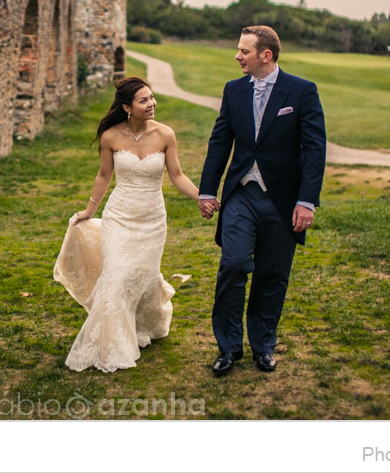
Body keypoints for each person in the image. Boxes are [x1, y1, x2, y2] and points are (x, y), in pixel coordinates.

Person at [198, 25, 326, 375]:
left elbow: (315, 150)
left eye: (244, 51)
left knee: (273, 275)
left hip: (283, 200)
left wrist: (307, 201)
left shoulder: (301, 92)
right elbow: (220, 141)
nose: (237, 56)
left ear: (265, 55)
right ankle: (228, 347)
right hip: (241, 193)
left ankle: (263, 345)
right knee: (234, 263)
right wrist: (208, 189)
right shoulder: (234, 90)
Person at [53, 77, 201, 372]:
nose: (152, 104)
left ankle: (141, 325)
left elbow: (177, 176)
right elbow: (104, 176)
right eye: (144, 100)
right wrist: (88, 210)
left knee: (142, 277)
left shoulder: (165, 134)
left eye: (152, 97)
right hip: (119, 217)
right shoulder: (110, 137)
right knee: (117, 277)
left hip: (152, 219)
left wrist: (204, 198)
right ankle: (114, 344)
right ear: (127, 107)